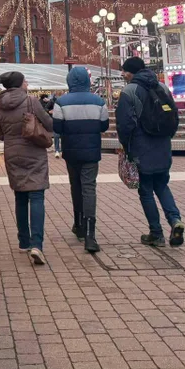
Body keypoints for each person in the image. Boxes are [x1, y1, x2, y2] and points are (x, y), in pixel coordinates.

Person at [116, 57, 185, 248]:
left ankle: (156, 233)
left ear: (132, 72)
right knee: (162, 185)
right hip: (162, 145)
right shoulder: (162, 87)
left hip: (141, 146)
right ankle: (175, 220)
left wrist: (126, 147)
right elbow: (174, 116)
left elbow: (125, 124)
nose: (123, 74)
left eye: (124, 71)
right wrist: (167, 137)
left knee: (145, 190)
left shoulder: (129, 91)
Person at [0, 71, 54, 265]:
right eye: (25, 80)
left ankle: (23, 241)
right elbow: (49, 123)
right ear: (20, 84)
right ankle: (37, 245)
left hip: (12, 154)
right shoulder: (31, 101)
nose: (27, 83)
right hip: (34, 153)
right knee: (36, 196)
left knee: (20, 196)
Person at [53, 67, 109, 252]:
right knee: (89, 188)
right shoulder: (99, 101)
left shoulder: (61, 102)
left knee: (75, 186)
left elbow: (58, 127)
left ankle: (78, 224)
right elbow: (103, 126)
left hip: (71, 152)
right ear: (87, 80)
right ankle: (90, 234)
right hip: (92, 152)